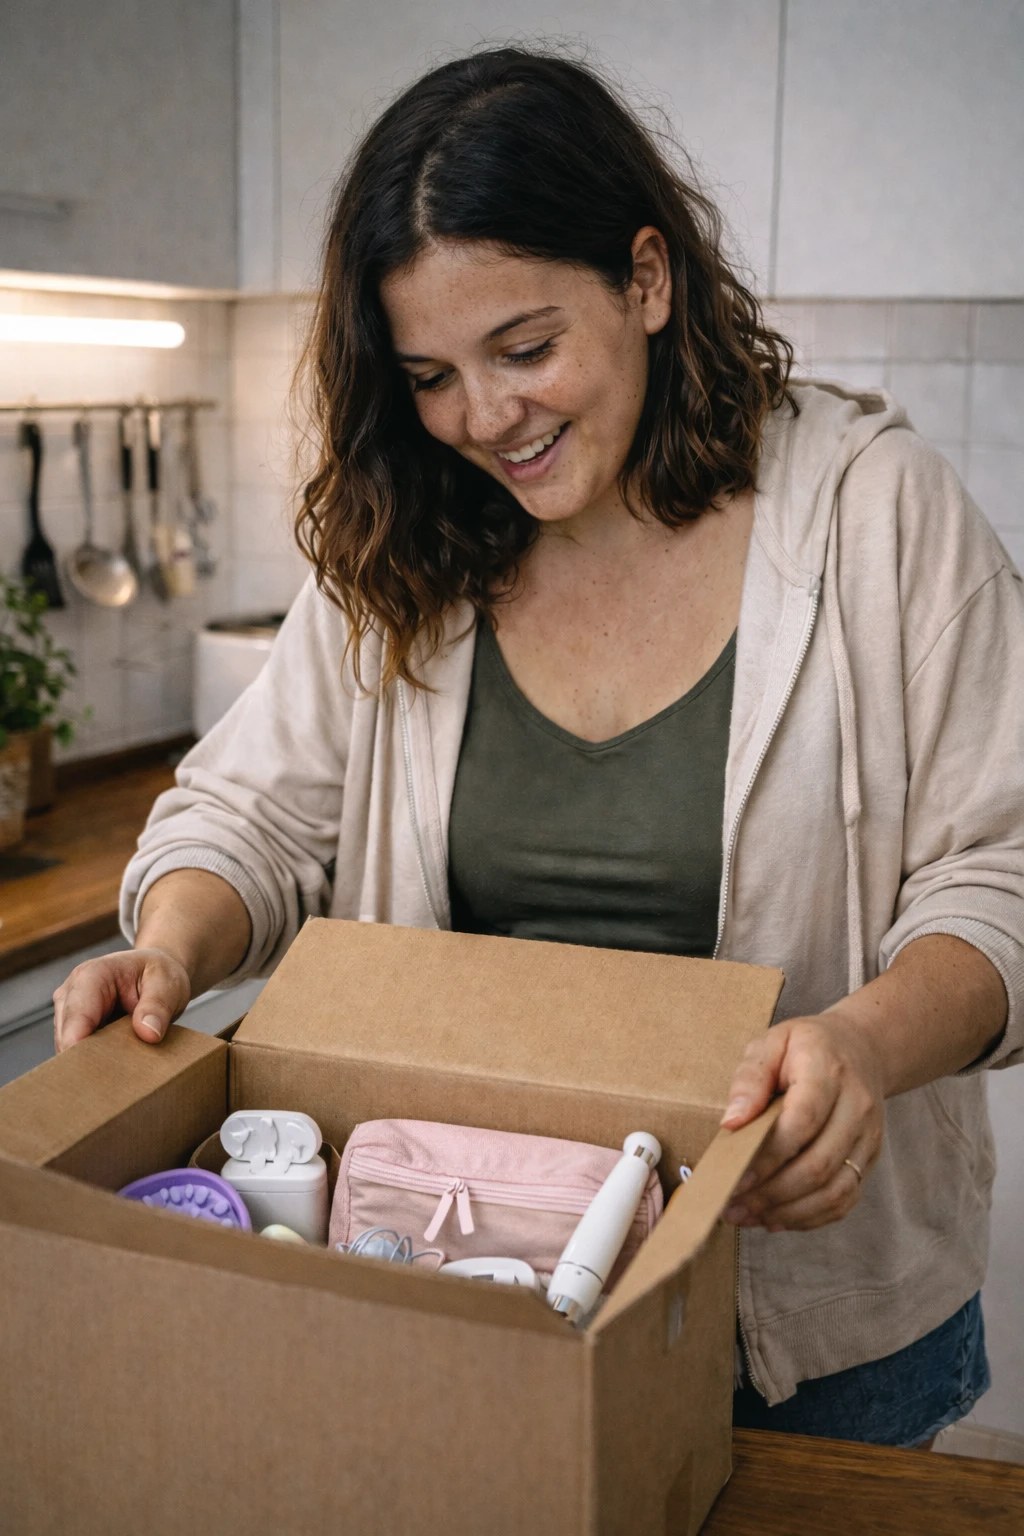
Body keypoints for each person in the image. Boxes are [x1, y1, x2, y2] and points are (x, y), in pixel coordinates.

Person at [53, 48, 1023, 1445]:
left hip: (805, 1335)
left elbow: (1002, 870)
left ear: (646, 278)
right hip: (458, 1291)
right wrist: (176, 951)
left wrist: (864, 1046)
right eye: (432, 375)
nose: (483, 420)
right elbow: (248, 818)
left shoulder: (876, 518)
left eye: (523, 349)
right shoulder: (409, 537)